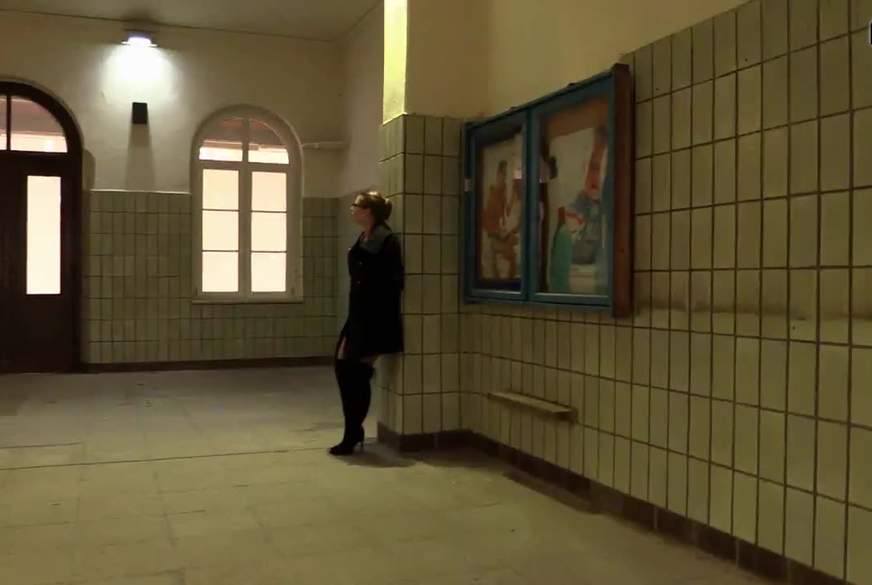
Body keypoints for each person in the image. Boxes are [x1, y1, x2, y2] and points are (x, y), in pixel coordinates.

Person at [331, 191, 404, 456]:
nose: (352, 209)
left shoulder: (386, 240)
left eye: (357, 205)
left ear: (369, 211)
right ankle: (353, 431)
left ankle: (352, 433)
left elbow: (392, 283)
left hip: (375, 318)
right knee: (343, 366)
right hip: (358, 315)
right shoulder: (365, 236)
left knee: (356, 373)